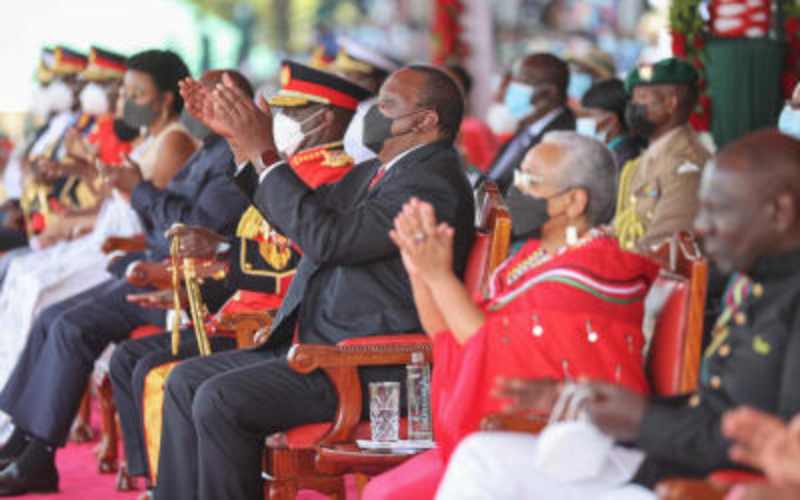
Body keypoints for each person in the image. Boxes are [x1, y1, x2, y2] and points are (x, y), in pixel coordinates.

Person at [152, 64, 475, 500]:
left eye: (386, 105)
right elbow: (302, 220)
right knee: (185, 381)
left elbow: (328, 241)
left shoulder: (430, 181)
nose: (372, 114)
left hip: (370, 367)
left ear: (425, 120)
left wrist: (264, 150)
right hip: (328, 347)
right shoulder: (382, 171)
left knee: (220, 399)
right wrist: (240, 141)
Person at [434, 129, 800, 499]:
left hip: (709, 486)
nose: (702, 227)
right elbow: (714, 409)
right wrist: (595, 403)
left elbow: (764, 449)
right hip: (664, 460)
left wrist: (641, 418)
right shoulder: (760, 283)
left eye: (718, 210)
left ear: (780, 212)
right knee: (481, 458)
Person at [109, 60, 370, 487]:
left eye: (289, 112)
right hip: (241, 313)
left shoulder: (331, 177)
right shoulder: (288, 171)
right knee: (158, 369)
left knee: (172, 377)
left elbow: (296, 264)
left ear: (323, 118)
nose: (276, 121)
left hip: (268, 326)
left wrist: (223, 250)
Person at [363, 131, 661, 499]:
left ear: (573, 201)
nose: (516, 189)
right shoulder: (532, 257)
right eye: (519, 175)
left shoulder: (593, 272)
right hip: (515, 438)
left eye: (531, 181)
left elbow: (490, 351)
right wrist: (420, 271)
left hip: (568, 450)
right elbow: (450, 335)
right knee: (382, 489)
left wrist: (439, 275)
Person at [0, 66, 251, 498]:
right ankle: (23, 440)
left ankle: (39, 456)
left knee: (69, 326)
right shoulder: (207, 150)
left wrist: (138, 190)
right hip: (153, 262)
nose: (195, 111)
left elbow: (191, 226)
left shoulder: (232, 158)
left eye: (204, 103)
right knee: (53, 317)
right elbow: (166, 221)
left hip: (184, 282)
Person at [0, 49, 197, 388]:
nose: (126, 100)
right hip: (103, 240)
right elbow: (115, 199)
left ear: (165, 100)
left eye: (137, 94)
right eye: (125, 92)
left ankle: (27, 411)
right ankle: (13, 402)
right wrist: (78, 170)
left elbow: (156, 218)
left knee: (40, 293)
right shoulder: (148, 138)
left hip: (122, 250)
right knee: (22, 278)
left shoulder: (174, 141)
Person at [614, 57, 711, 251]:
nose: (632, 106)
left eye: (641, 98)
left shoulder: (686, 163)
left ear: (670, 103)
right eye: (632, 98)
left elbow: (666, 244)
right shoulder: (648, 158)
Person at [484, 52, 576, 241]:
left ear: (549, 93)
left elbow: (531, 207)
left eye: (523, 82)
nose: (512, 89)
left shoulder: (562, 137)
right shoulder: (527, 126)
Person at [334, 37, 402, 164]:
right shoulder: (358, 110)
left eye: (350, 75)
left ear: (378, 81)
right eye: (342, 74)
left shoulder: (377, 117)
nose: (342, 81)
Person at [577, 78, 646, 171]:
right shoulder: (615, 152)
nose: (582, 120)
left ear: (610, 121)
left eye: (588, 115)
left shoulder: (620, 160)